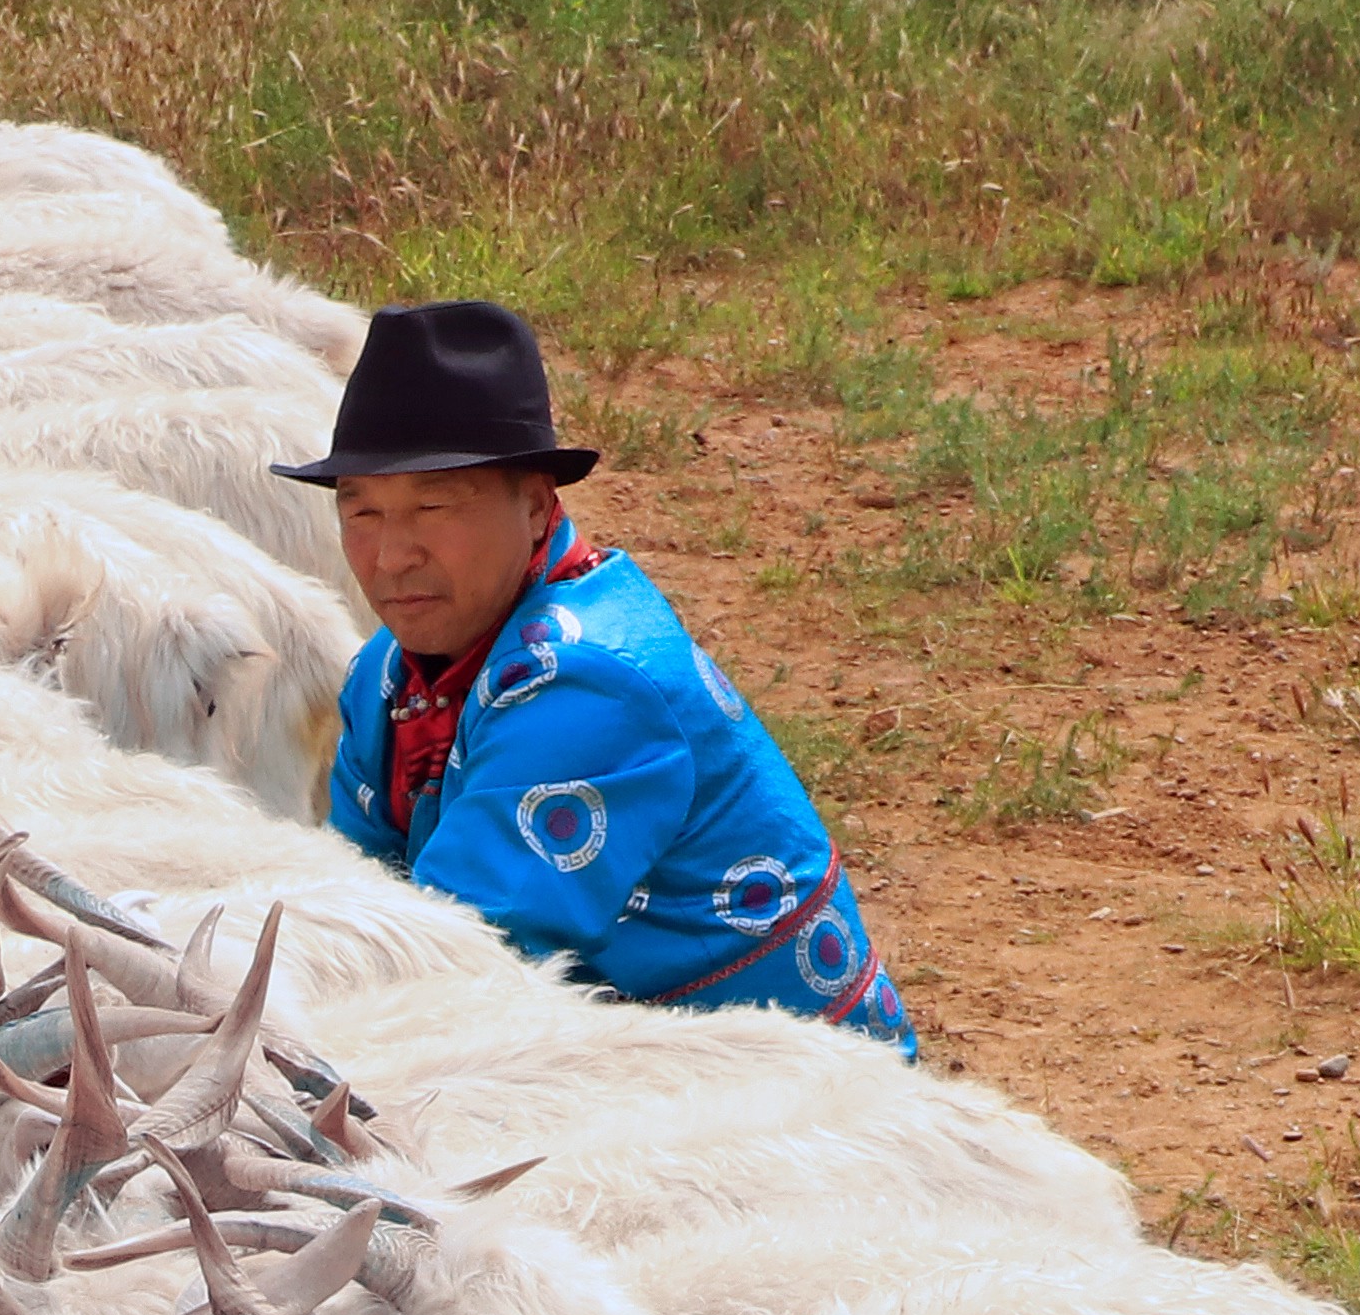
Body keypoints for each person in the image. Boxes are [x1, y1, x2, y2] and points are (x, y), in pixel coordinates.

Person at [286, 299, 915, 1048]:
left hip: (781, 1084)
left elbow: (456, 955)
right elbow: (358, 891)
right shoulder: (387, 675)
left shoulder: (586, 682)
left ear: (535, 506)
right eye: (362, 514)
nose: (392, 557)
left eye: (435, 505)